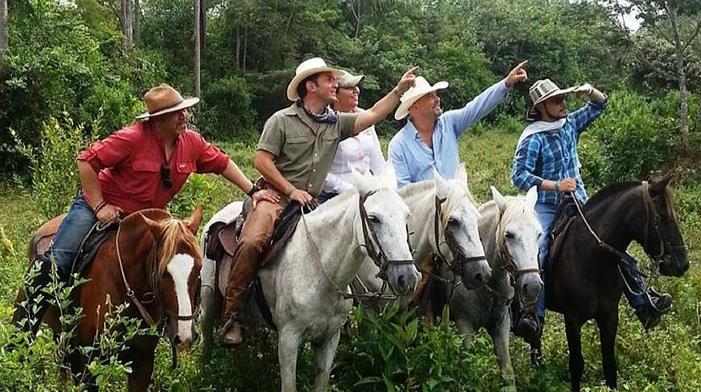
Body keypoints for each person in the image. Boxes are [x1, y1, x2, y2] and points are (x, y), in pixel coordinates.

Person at [18, 84, 279, 335]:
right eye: (176, 113)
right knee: (58, 260)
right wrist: (99, 206)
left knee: (178, 264)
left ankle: (177, 323)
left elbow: (223, 163)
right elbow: (86, 161)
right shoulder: (131, 138)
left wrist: (253, 191)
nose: (184, 117)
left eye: (184, 111)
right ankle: (23, 331)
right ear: (157, 121)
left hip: (145, 220)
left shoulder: (192, 143)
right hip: (99, 207)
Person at [220, 57, 418, 346]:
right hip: (276, 198)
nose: (335, 83)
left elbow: (374, 114)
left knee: (346, 243)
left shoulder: (335, 124)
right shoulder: (281, 121)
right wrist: (290, 191)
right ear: (310, 86)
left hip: (312, 201)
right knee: (251, 242)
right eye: (328, 80)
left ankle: (335, 314)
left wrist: (399, 91)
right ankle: (233, 314)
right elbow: (261, 161)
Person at [510, 78, 673, 346]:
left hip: (581, 202)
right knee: (538, 251)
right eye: (556, 101)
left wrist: (587, 90)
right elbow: (519, 176)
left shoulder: (570, 123)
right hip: (546, 206)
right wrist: (555, 185)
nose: (563, 104)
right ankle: (533, 316)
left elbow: (600, 104)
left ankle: (643, 301)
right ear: (541, 107)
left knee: (615, 246)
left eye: (563, 99)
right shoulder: (532, 138)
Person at [388, 61, 529, 189]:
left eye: (436, 94)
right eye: (430, 96)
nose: (437, 99)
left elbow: (477, 107)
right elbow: (404, 192)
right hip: (426, 215)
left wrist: (506, 83)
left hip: (459, 208)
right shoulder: (399, 145)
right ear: (414, 107)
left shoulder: (449, 123)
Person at [319, 70, 385, 203]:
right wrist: (348, 189)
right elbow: (320, 173)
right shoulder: (324, 123)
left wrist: (384, 185)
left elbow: (377, 160)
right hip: (335, 196)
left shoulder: (365, 116)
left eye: (356, 87)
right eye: (349, 87)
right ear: (335, 93)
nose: (356, 91)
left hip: (369, 191)